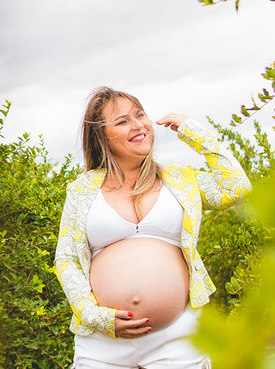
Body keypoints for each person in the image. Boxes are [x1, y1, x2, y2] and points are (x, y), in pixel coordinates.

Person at [54, 87, 251, 369]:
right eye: (122, 121)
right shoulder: (82, 189)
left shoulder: (181, 180)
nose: (138, 125)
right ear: (101, 136)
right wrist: (95, 317)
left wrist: (194, 132)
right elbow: (66, 259)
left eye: (140, 115)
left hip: (176, 339)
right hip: (101, 344)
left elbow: (237, 187)